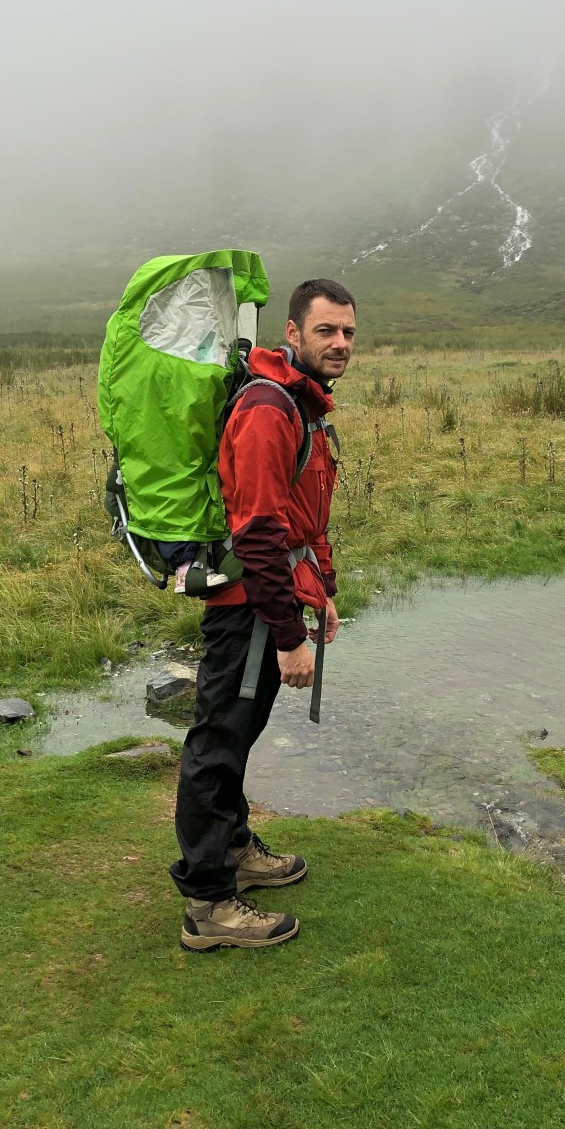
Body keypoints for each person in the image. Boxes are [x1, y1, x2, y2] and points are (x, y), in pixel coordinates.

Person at [171, 277, 356, 949]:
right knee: (217, 743)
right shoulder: (267, 409)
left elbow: (303, 518)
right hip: (246, 606)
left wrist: (321, 591)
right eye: (326, 330)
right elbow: (257, 535)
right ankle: (208, 905)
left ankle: (234, 849)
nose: (340, 343)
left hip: (271, 597)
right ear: (294, 332)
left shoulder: (301, 404)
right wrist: (287, 637)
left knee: (237, 735)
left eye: (348, 332)